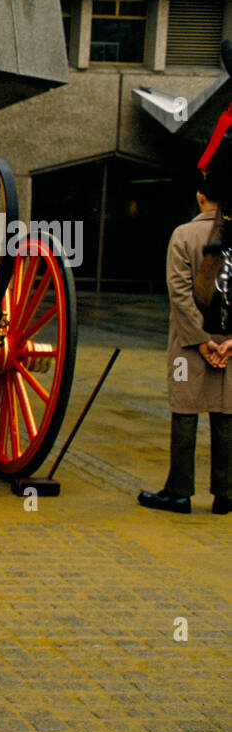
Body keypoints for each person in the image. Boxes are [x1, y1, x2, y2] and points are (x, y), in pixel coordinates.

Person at [137, 181, 232, 515]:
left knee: (185, 411)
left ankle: (179, 491)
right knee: (226, 413)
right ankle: (226, 492)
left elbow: (179, 292)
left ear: (200, 197)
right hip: (229, 342)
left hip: (189, 342)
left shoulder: (182, 235)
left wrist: (200, 339)